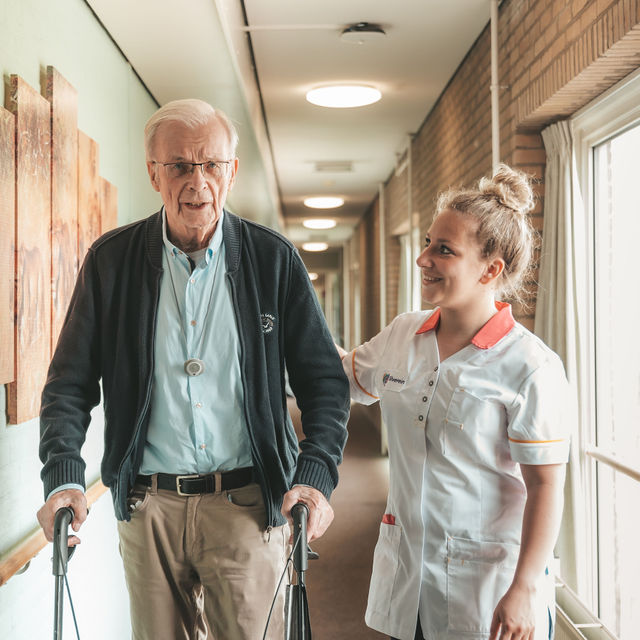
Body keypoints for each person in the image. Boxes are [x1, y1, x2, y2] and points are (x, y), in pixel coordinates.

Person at [37, 98, 350, 639]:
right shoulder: (111, 261)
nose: (196, 181)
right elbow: (69, 383)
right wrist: (63, 476)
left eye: (211, 165)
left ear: (232, 170)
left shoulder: (272, 259)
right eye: (179, 165)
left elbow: (325, 382)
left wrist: (315, 478)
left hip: (248, 506)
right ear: (153, 172)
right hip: (149, 506)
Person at [338, 165, 570, 640]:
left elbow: (546, 486)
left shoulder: (530, 366)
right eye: (427, 243)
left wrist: (524, 587)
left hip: (488, 586)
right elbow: (344, 376)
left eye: (443, 250)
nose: (423, 259)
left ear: (491, 270)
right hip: (410, 572)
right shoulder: (405, 332)